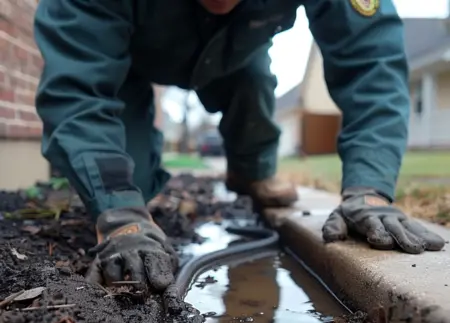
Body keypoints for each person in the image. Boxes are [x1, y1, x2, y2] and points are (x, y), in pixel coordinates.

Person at [34, 0, 445, 291]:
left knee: (253, 87)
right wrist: (119, 213)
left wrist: (370, 188)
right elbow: (77, 95)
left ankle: (253, 170)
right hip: (131, 58)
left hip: (238, 55)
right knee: (127, 184)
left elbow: (371, 64)